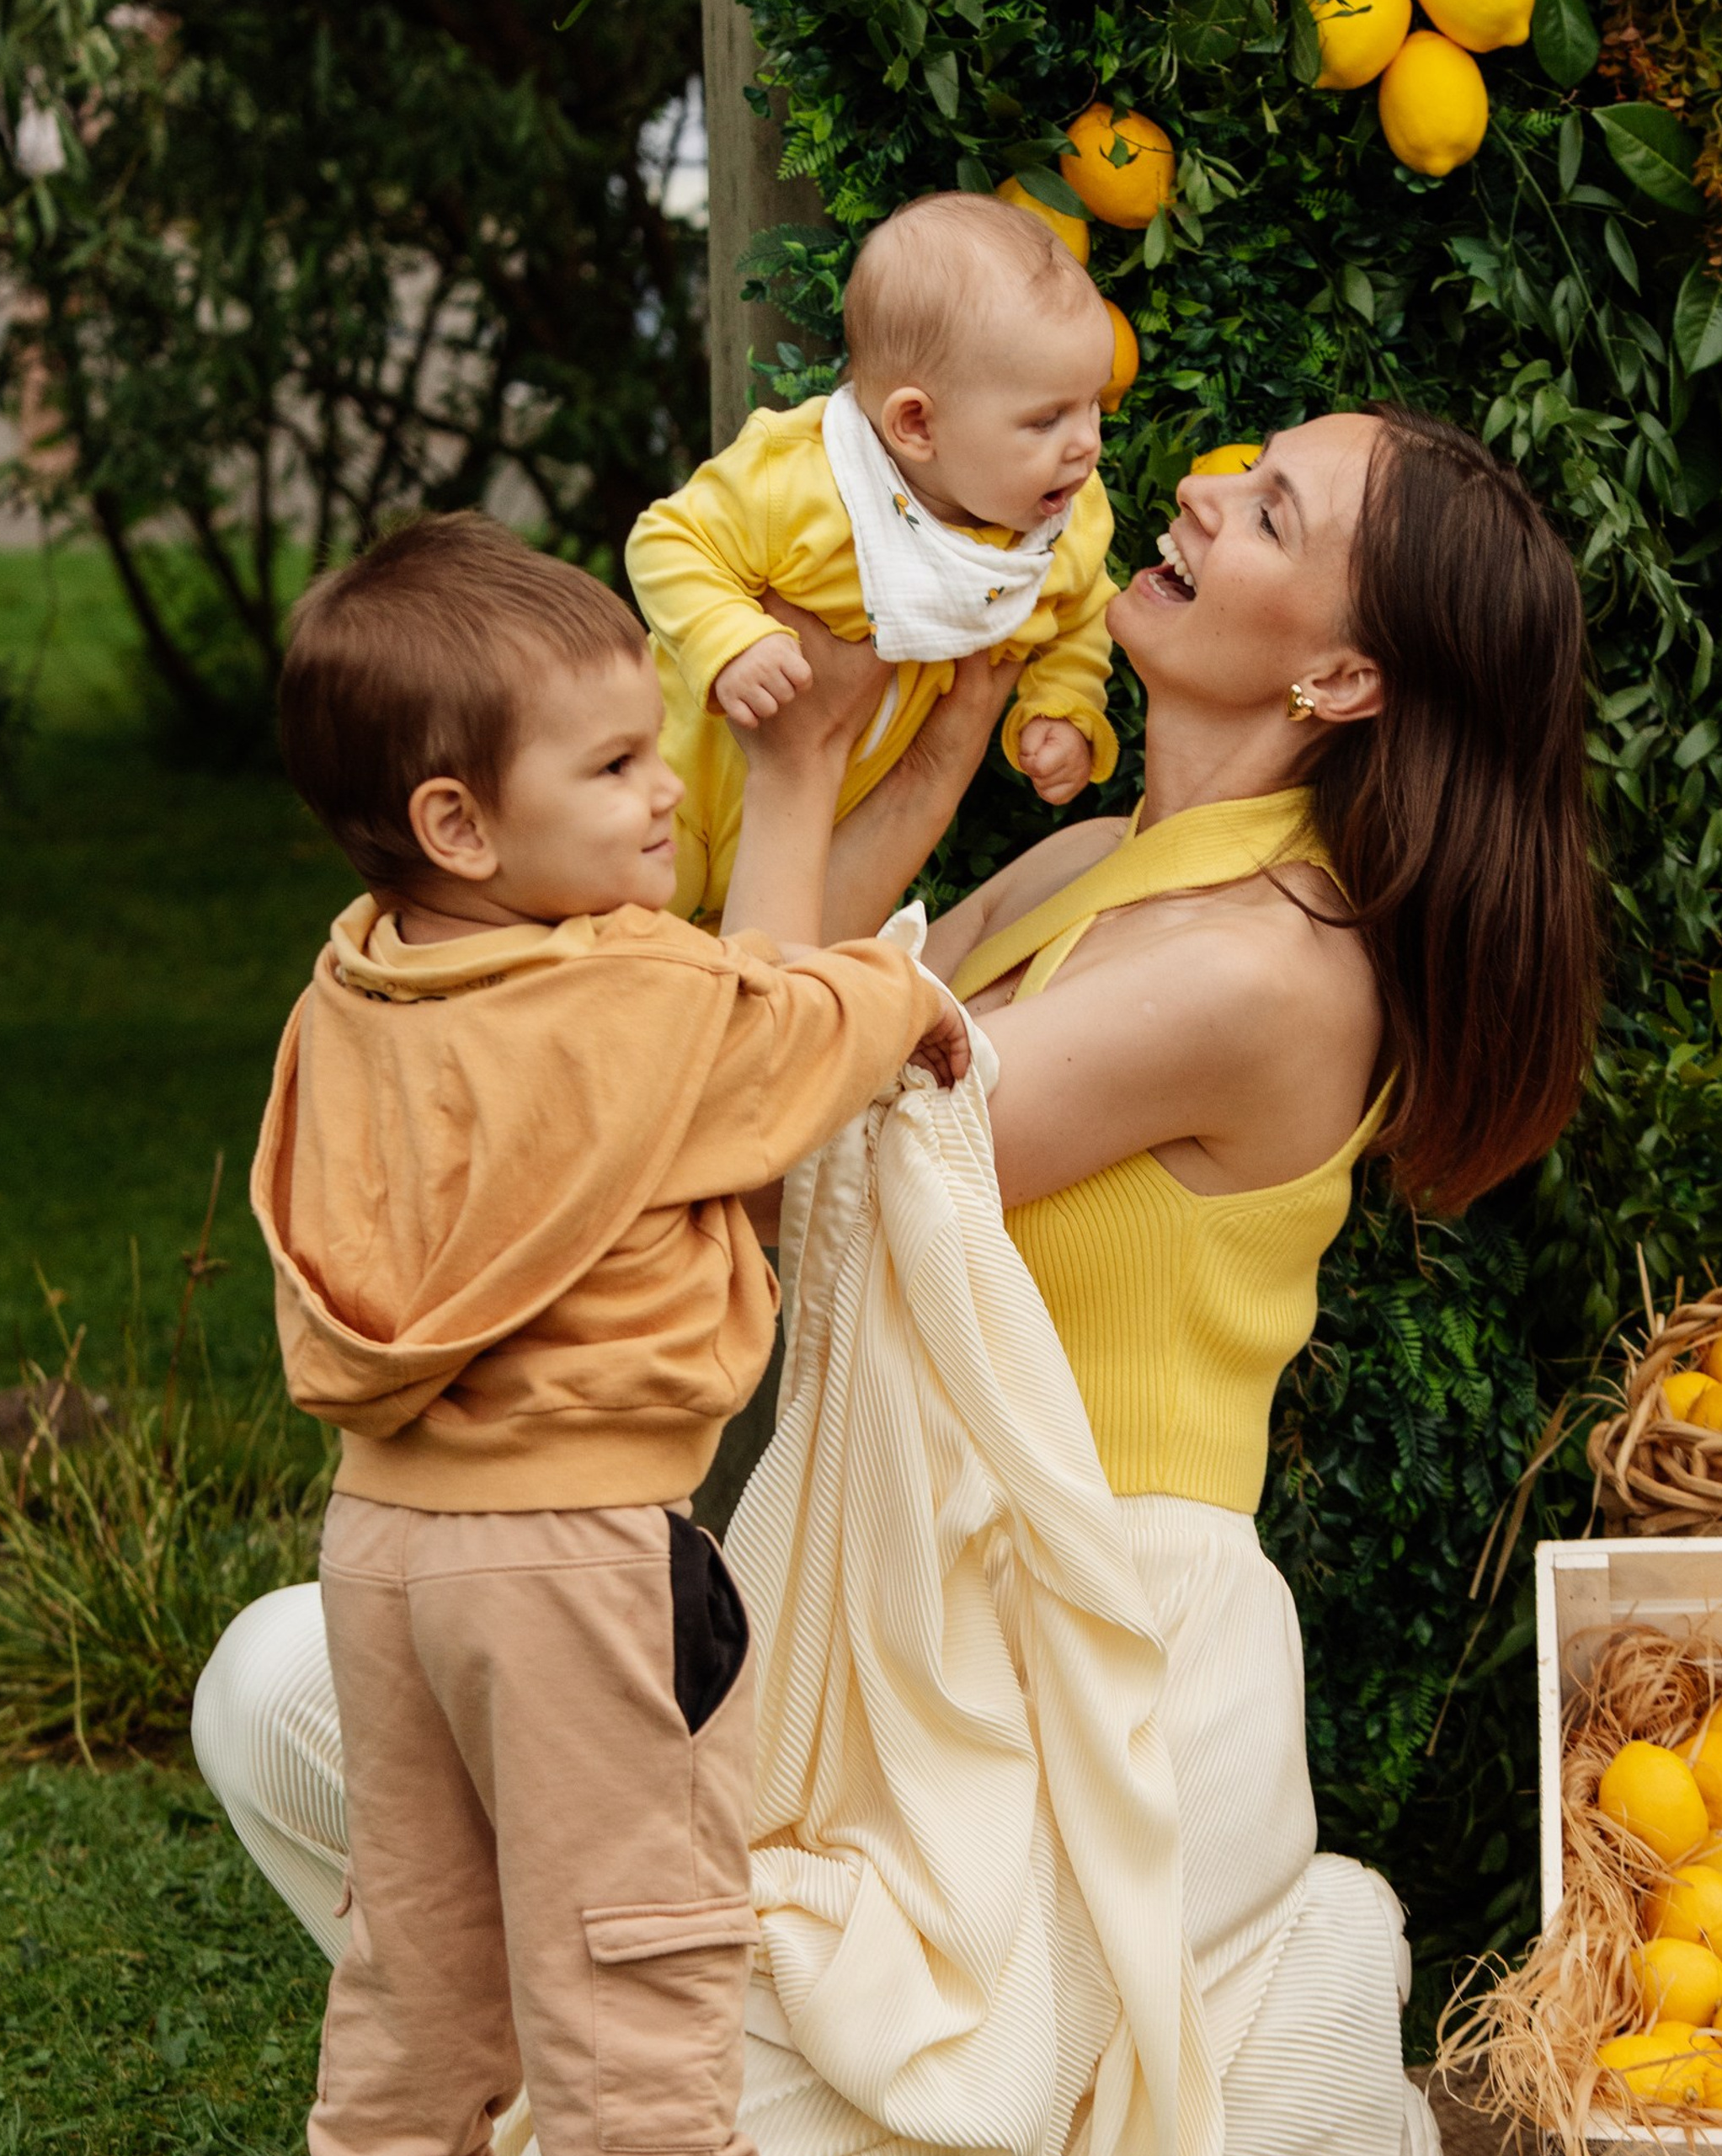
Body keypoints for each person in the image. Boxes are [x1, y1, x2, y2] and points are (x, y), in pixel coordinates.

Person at [197, 404, 1600, 2154]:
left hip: (1074, 1662)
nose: (1196, 487)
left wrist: (790, 800)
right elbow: (764, 1002)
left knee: (664, 2069)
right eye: (1237, 463)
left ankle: (1281, 2017)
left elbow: (767, 1150)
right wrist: (893, 736)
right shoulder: (1093, 862)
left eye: (1266, 511)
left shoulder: (1266, 966)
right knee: (285, 1695)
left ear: (1337, 675)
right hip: (869, 1589)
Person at [250, 510, 965, 2156]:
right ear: (459, 819)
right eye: (616, 762)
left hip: (378, 1545)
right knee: (630, 1981)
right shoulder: (629, 1004)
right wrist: (909, 995)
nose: (664, 788)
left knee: (413, 1972)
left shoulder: (350, 990)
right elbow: (791, 1019)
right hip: (575, 1559)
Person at [626, 191, 1122, 925]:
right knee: (627, 943)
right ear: (916, 424)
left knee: (743, 967)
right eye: (1046, 419)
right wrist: (728, 640)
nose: (1086, 443)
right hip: (675, 782)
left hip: (826, 831)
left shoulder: (1061, 521)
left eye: (1093, 406)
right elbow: (667, 541)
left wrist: (1065, 705)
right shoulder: (803, 478)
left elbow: (1082, 612)